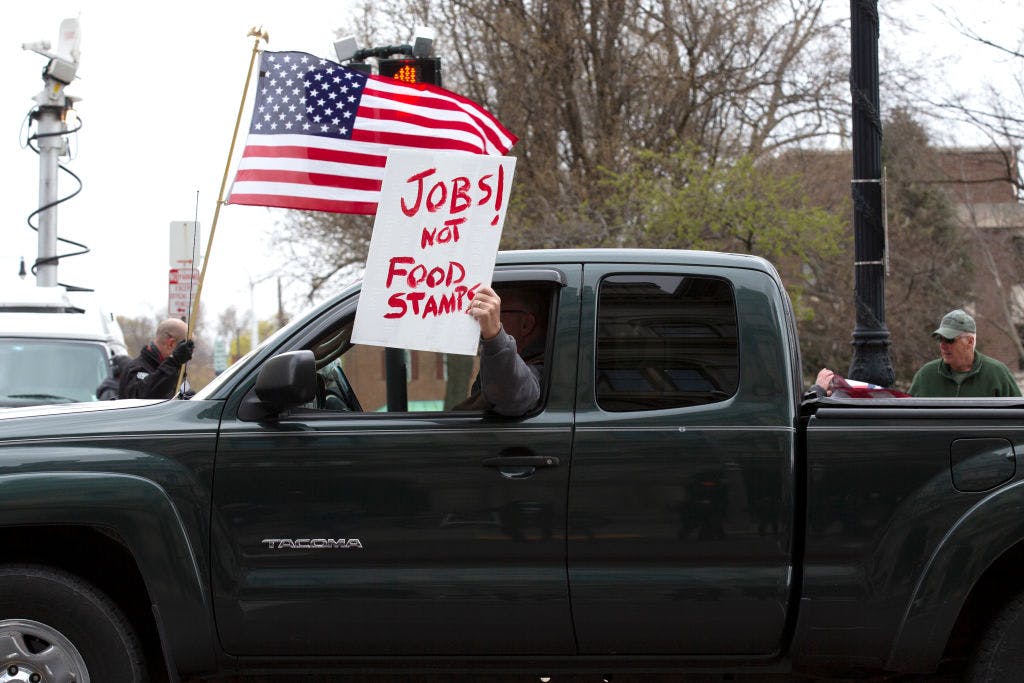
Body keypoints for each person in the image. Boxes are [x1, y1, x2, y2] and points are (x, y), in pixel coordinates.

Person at [458, 285, 547, 416]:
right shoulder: (493, 364)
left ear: (526, 324)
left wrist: (494, 335)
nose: (481, 318)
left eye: (495, 312)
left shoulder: (545, 370)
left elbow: (513, 397)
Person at [908, 309, 1021, 398]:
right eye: (940, 339)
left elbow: (1019, 416)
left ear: (970, 342)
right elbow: (905, 417)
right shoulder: (925, 375)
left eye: (949, 339)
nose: (943, 345)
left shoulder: (997, 373)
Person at [118, 318, 195, 400]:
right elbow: (143, 399)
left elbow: (182, 397)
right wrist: (174, 362)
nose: (190, 356)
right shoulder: (136, 368)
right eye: (184, 349)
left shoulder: (174, 372)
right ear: (171, 344)